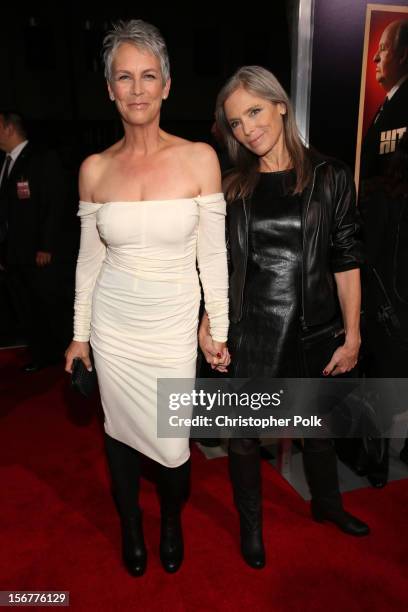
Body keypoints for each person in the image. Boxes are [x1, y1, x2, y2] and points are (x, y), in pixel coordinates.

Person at [64, 19, 229, 577]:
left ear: (167, 85)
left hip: (171, 329)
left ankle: (171, 519)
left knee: (174, 446)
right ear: (109, 88)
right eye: (124, 77)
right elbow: (89, 262)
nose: (137, 89)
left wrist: (219, 326)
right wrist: (80, 333)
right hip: (114, 327)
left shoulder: (200, 159)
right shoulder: (94, 169)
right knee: (116, 432)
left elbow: (215, 257)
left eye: (148, 76)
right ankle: (132, 525)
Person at [199, 65, 370, 569]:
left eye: (254, 111)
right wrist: (210, 322)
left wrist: (353, 332)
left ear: (280, 105)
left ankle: (327, 505)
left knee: (315, 424)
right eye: (235, 122)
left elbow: (346, 258)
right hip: (253, 330)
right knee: (246, 437)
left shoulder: (331, 176)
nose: (248, 128)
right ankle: (251, 526)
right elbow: (217, 265)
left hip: (315, 327)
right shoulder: (232, 189)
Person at [0, 110, 67, 370]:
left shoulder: (41, 159)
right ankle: (40, 352)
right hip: (14, 252)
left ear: (9, 128)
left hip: (37, 252)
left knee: (46, 304)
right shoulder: (6, 163)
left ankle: (55, 353)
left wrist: (46, 246)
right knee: (25, 306)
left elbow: (54, 204)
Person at [361, 19, 408, 183]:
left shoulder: (402, 104)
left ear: (402, 55)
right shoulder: (391, 101)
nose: (375, 58)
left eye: (383, 49)